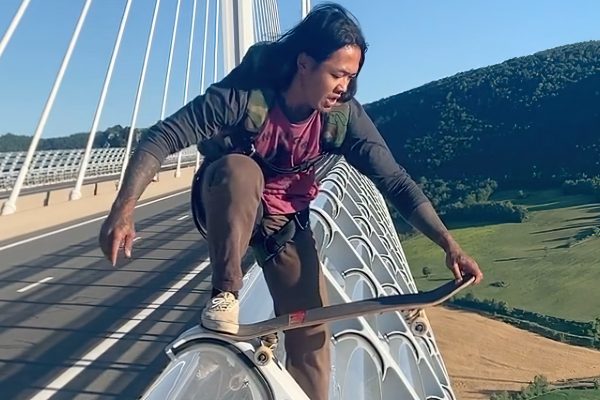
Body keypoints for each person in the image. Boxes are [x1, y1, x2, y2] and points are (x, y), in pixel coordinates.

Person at [99, 3, 483, 399]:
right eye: (337, 74)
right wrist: (123, 209)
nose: (345, 88)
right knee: (240, 171)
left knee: (312, 339)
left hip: (284, 220)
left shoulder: (343, 116)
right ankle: (224, 295)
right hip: (227, 198)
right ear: (304, 63)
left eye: (352, 78)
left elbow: (396, 181)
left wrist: (448, 244)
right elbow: (161, 137)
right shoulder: (244, 97)